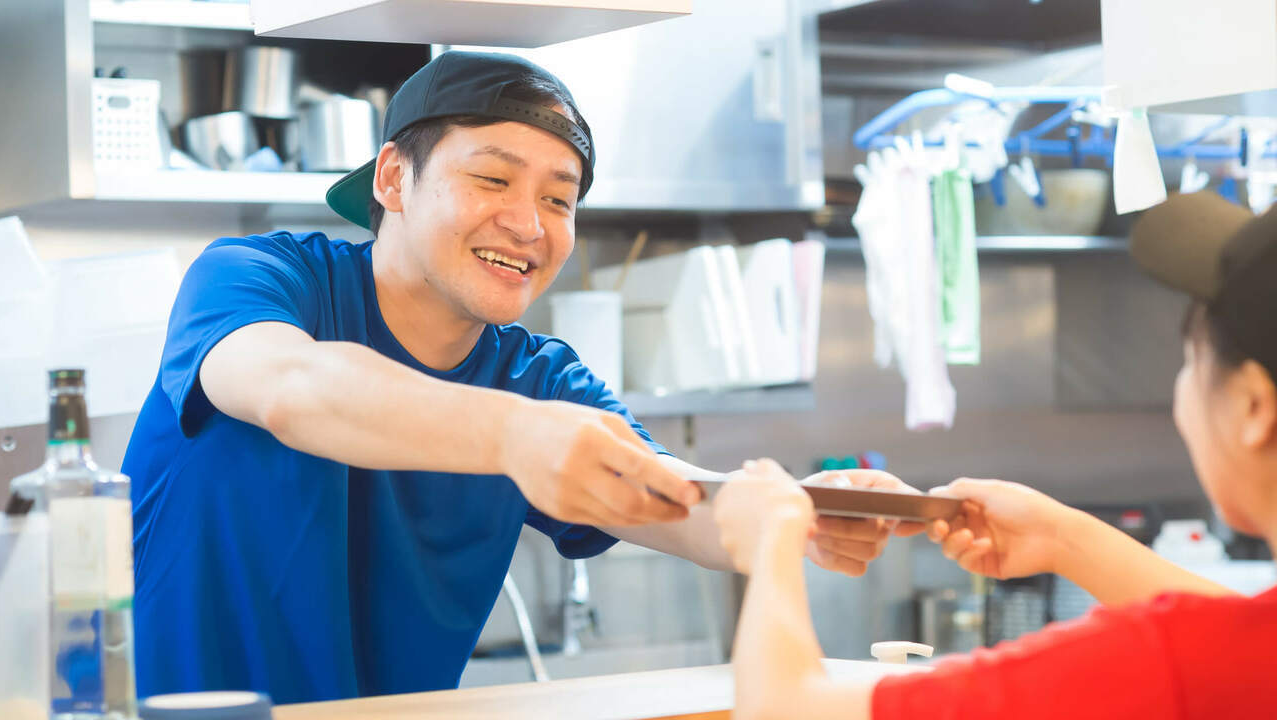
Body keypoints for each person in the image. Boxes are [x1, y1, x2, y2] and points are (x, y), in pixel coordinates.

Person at [121, 51, 911, 705]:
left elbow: (671, 498)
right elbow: (293, 390)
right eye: (494, 181)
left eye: (558, 199)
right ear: (393, 180)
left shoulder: (537, 378)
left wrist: (802, 512)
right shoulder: (256, 280)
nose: (529, 224)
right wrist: (512, 435)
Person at [712, 191, 1277, 719]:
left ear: (1253, 407)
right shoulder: (1242, 658)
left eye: (1192, 362)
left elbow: (787, 708)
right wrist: (1059, 537)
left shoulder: (1164, 662)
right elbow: (1238, 634)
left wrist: (773, 538)